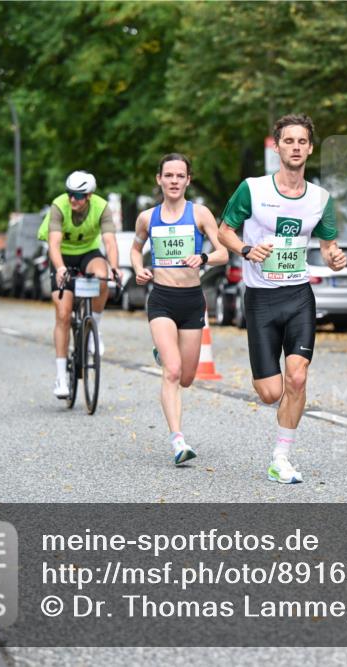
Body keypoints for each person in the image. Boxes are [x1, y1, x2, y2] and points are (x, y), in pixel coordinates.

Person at [217, 114, 347, 484]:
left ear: (310, 148)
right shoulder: (253, 190)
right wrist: (246, 249)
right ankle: (277, 414)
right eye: (288, 141)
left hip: (298, 296)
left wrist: (336, 258)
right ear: (277, 146)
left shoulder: (320, 199)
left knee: (298, 377)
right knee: (270, 392)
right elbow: (225, 230)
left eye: (301, 141)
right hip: (260, 299)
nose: (295, 147)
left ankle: (281, 457)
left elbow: (329, 247)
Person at [132, 153, 228, 466]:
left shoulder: (200, 214)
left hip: (191, 302)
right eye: (168, 175)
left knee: (186, 377)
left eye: (180, 176)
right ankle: (178, 441)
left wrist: (203, 258)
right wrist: (138, 269)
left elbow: (223, 252)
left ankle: (164, 353)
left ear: (188, 180)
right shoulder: (147, 217)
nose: (174, 181)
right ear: (159, 179)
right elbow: (136, 248)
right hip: (161, 299)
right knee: (172, 371)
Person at [38, 171, 119, 398]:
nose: (74, 199)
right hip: (62, 256)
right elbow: (53, 243)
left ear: (90, 196)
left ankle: (95, 329)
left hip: (88, 254)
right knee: (63, 314)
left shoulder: (102, 207)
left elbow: (110, 241)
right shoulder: (58, 206)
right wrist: (61, 268)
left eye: (80, 196)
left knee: (102, 275)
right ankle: (61, 377)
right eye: (71, 194)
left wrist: (114, 266)